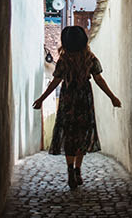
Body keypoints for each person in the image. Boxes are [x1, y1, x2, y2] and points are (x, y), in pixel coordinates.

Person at [32, 25, 120, 188]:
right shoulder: (90, 59)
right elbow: (99, 80)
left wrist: (42, 99)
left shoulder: (64, 60)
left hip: (68, 100)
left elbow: (55, 82)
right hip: (84, 100)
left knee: (70, 135)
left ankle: (71, 170)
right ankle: (78, 170)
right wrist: (112, 97)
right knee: (83, 134)